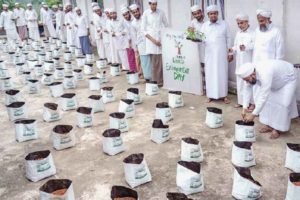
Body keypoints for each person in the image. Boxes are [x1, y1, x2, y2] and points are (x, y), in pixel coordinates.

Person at [237, 60, 298, 139]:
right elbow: (247, 90)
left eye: (246, 79)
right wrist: (244, 108)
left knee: (283, 104)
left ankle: (277, 129)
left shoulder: (265, 73)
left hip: (287, 80)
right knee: (268, 102)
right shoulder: (250, 74)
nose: (246, 82)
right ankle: (269, 125)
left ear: (253, 74)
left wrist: (253, 115)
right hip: (274, 81)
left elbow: (263, 96)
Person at [200, 5, 232, 103]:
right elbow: (200, 39)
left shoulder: (224, 24)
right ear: (208, 15)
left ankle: (224, 96)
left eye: (215, 13)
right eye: (211, 14)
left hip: (222, 54)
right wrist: (194, 38)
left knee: (222, 73)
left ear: (217, 14)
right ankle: (210, 95)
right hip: (209, 54)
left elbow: (229, 38)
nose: (213, 15)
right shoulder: (204, 25)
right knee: (210, 74)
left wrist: (230, 52)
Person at [141, 0, 168, 87]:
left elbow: (166, 25)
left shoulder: (161, 12)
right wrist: (153, 40)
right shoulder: (146, 13)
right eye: (152, 4)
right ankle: (155, 82)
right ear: (149, 4)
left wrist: (164, 37)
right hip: (151, 41)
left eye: (155, 4)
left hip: (160, 41)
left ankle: (161, 81)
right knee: (154, 63)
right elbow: (143, 30)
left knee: (160, 62)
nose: (154, 6)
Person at [230, 14, 255, 108]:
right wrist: (232, 50)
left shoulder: (253, 33)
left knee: (249, 81)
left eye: (242, 23)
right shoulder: (238, 33)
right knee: (240, 81)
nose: (240, 25)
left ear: (247, 22)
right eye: (238, 23)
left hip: (248, 60)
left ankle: (252, 103)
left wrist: (246, 47)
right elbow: (236, 45)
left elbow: (255, 45)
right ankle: (241, 102)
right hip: (240, 61)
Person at [130, 3, 152, 81]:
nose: (136, 13)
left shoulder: (145, 18)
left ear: (139, 10)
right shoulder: (132, 23)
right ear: (132, 13)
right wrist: (135, 47)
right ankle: (147, 78)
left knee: (151, 60)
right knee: (144, 61)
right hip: (141, 44)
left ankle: (154, 76)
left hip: (149, 42)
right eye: (134, 12)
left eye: (136, 11)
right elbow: (133, 36)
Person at [189, 4, 205, 94]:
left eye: (198, 13)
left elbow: (206, 36)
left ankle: (207, 89)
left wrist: (199, 36)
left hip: (206, 48)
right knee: (198, 70)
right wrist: (191, 35)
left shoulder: (207, 22)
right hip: (196, 49)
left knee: (206, 70)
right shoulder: (192, 22)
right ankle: (199, 89)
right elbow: (190, 35)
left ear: (201, 12)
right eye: (195, 14)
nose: (197, 15)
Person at [121, 6, 137, 72]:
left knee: (137, 56)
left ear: (129, 13)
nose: (126, 16)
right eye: (124, 15)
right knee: (131, 57)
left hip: (136, 40)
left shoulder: (134, 20)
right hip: (128, 42)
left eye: (127, 14)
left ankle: (138, 70)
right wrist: (129, 42)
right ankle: (133, 70)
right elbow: (125, 33)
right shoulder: (123, 22)